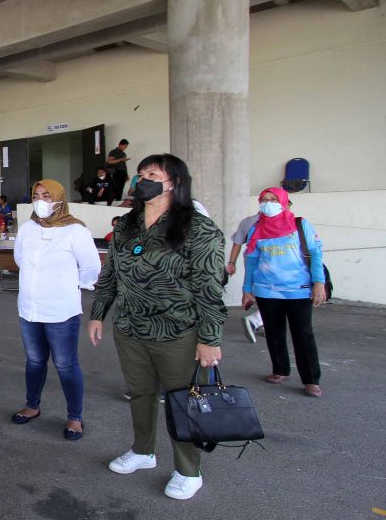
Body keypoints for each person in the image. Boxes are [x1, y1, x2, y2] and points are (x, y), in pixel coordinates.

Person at [88, 154, 226, 501]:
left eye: (152, 174)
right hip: (131, 328)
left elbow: (209, 287)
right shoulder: (126, 225)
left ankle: (188, 469)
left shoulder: (197, 227)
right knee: (141, 393)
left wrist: (209, 338)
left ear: (173, 183)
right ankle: (143, 451)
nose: (142, 180)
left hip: (178, 332)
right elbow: (111, 273)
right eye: (140, 174)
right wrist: (98, 313)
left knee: (184, 401)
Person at [11, 180, 101, 440]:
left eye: (47, 196)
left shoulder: (75, 231)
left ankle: (74, 417)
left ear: (60, 199)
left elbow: (91, 268)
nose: (41, 201)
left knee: (65, 363)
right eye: (36, 195)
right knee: (35, 360)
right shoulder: (27, 228)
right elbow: (19, 259)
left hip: (61, 310)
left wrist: (71, 285)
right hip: (29, 308)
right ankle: (32, 405)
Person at [242, 187, 326, 397]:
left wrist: (319, 282)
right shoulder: (255, 229)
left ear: (284, 202)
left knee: (303, 334)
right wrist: (246, 289)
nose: (267, 203)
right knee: (273, 332)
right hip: (266, 290)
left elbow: (315, 254)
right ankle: (280, 370)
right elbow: (251, 262)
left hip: (297, 289)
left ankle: (311, 380)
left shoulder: (300, 225)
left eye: (272, 199)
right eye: (264, 199)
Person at [227, 211, 264, 342]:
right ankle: (256, 320)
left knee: (262, 293)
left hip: (252, 261)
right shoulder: (252, 222)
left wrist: (232, 262)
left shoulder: (248, 221)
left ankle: (264, 322)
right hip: (270, 265)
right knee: (277, 297)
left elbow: (237, 243)